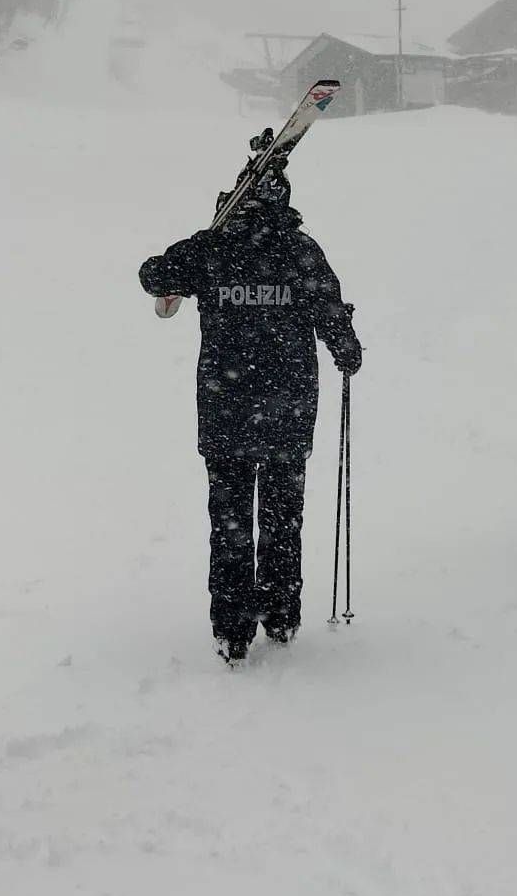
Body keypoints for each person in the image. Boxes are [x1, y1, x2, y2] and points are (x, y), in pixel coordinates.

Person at [140, 166, 361, 663]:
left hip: (226, 411)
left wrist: (198, 246)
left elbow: (152, 276)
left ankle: (232, 629)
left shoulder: (211, 250)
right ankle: (281, 616)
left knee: (229, 524)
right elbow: (332, 315)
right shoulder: (300, 251)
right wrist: (346, 349)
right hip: (288, 410)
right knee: (283, 518)